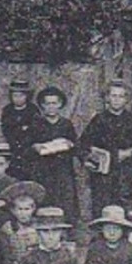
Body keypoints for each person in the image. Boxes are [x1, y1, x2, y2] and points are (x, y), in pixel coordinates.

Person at [79, 81, 132, 215]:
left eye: (121, 96)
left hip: (126, 172)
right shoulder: (99, 120)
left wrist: (130, 152)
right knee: (102, 210)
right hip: (104, 175)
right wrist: (88, 159)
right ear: (107, 98)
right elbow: (83, 144)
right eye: (113, 96)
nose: (116, 100)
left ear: (126, 99)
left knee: (125, 209)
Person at [22, 86, 81, 223]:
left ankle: (67, 232)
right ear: (42, 106)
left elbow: (76, 146)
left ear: (60, 105)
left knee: (65, 201)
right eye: (47, 103)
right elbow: (26, 148)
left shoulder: (66, 124)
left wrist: (70, 144)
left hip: (63, 170)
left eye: (54, 103)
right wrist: (35, 147)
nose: (51, 107)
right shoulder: (36, 123)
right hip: (43, 170)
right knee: (45, 200)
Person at [0, 78, 38, 174]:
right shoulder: (7, 110)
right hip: (13, 147)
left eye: (21, 96)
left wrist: (26, 135)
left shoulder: (32, 110)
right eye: (15, 96)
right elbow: (6, 129)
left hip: (28, 148)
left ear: (27, 96)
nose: (18, 98)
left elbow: (35, 129)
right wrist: (20, 130)